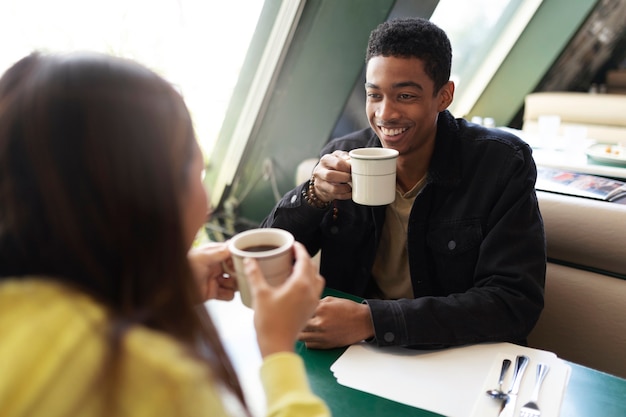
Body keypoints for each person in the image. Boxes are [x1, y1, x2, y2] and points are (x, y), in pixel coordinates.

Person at [0, 52, 329, 417]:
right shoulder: (154, 380)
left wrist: (154, 287)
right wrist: (279, 350)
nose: (206, 205)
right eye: (199, 173)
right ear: (145, 196)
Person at [262, 17, 546, 350]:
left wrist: (371, 320)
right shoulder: (343, 156)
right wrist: (314, 195)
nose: (385, 114)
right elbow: (268, 262)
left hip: (455, 356)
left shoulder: (501, 165)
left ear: (444, 96)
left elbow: (514, 303)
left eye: (405, 95)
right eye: (374, 95)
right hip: (356, 354)